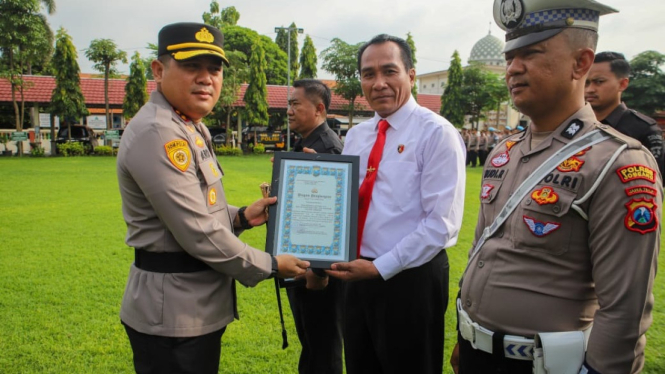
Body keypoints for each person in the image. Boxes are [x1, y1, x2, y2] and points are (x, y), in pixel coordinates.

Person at [452, 1, 661, 373]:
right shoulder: (505, 152)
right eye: (510, 56)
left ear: (581, 63)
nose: (513, 68)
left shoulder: (618, 161)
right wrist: (463, 336)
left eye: (531, 53)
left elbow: (625, 309)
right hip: (475, 351)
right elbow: (482, 251)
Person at [116, 22, 309, 374]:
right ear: (158, 70)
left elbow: (199, 205)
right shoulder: (159, 131)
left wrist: (240, 217)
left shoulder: (188, 124)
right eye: (192, 66)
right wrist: (271, 264)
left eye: (214, 68)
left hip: (193, 304)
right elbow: (199, 233)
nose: (206, 78)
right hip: (172, 312)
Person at [327, 34, 466, 374]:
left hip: (410, 278)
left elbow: (441, 224)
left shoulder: (437, 133)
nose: (378, 83)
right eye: (368, 74)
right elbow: (345, 202)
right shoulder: (358, 135)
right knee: (361, 363)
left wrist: (380, 267)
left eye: (389, 71)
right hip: (357, 274)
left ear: (411, 75)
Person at [285, 79, 345, 374]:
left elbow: (330, 217)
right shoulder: (307, 142)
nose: (289, 110)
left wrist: (317, 270)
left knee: (322, 344)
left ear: (319, 108)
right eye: (289, 104)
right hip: (301, 259)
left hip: (315, 269)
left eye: (296, 104)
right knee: (311, 341)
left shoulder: (327, 149)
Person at [585, 51, 665, 176]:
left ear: (622, 84)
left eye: (599, 82)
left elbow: (657, 177)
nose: (590, 89)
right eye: (586, 83)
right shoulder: (575, 124)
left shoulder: (643, 129)